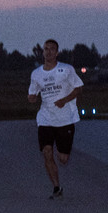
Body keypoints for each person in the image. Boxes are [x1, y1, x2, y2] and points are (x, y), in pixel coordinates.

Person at [28, 39, 84, 198]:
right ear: (42, 52)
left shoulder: (66, 70)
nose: (48, 52)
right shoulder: (36, 74)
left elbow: (79, 88)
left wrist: (64, 100)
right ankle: (56, 187)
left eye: (52, 49)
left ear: (57, 52)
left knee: (63, 159)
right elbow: (32, 93)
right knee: (47, 152)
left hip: (65, 119)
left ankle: (62, 151)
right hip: (45, 118)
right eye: (46, 49)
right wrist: (32, 98)